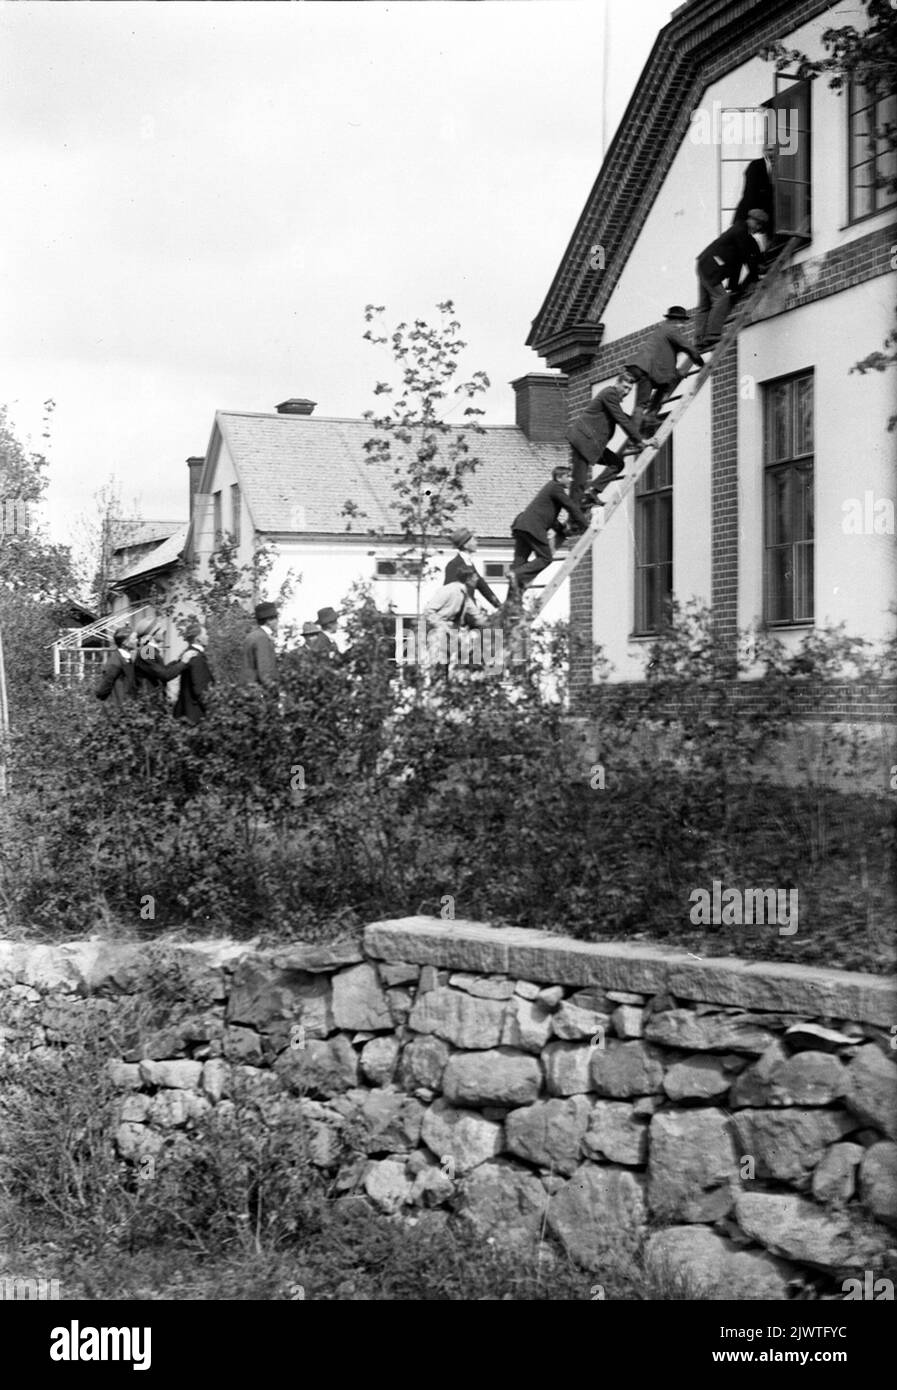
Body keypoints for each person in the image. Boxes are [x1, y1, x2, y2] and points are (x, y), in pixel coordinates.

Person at [567, 372, 657, 510]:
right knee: (579, 482)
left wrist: (640, 423)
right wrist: (641, 441)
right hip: (584, 441)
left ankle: (592, 492)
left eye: (629, 389)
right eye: (625, 387)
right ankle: (574, 516)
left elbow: (622, 417)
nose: (626, 392)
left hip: (591, 443)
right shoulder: (609, 393)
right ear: (617, 384)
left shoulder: (611, 397)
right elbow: (621, 419)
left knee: (616, 464)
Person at [509, 464, 589, 595]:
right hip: (533, 527)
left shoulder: (549, 489)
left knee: (520, 562)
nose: (571, 479)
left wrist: (562, 530)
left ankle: (511, 602)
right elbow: (571, 506)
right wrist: (585, 525)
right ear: (559, 477)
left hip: (522, 525)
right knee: (545, 558)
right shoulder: (556, 488)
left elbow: (550, 517)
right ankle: (515, 574)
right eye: (568, 476)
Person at [623, 307, 704, 437]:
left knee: (641, 403)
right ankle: (649, 418)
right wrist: (701, 363)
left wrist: (676, 372)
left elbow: (663, 359)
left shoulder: (661, 331)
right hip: (650, 369)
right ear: (676, 320)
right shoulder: (671, 330)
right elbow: (688, 347)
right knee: (664, 385)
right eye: (682, 321)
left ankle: (645, 422)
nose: (682, 325)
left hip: (643, 368)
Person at [694, 210, 766, 350]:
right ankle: (712, 334)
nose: (757, 228)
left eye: (760, 226)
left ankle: (699, 339)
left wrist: (734, 286)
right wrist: (755, 274)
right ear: (750, 220)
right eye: (757, 224)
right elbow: (745, 257)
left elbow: (738, 264)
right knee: (722, 298)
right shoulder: (740, 231)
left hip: (705, 264)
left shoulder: (744, 235)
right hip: (710, 267)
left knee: (705, 305)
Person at [133, 617, 195, 697]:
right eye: (160, 629)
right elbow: (164, 674)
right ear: (152, 635)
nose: (164, 631)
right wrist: (183, 662)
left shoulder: (150, 650)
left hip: (151, 699)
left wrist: (179, 661)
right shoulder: (146, 651)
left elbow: (162, 670)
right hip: (148, 701)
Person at [443, 528, 500, 611]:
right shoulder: (454, 565)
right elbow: (450, 591)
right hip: (460, 613)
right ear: (465, 545)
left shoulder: (469, 564)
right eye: (473, 540)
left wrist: (499, 605)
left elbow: (483, 587)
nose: (477, 542)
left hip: (471, 611)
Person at [173, 618, 214, 725]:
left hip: (186, 710)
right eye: (206, 634)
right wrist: (212, 708)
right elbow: (199, 688)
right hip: (194, 713)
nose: (208, 636)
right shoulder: (196, 656)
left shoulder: (190, 653)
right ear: (198, 639)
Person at [733, 143, 776, 241]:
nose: (772, 153)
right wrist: (752, 216)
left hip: (767, 220)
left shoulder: (784, 168)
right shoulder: (755, 166)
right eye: (769, 150)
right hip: (750, 216)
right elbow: (749, 192)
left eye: (774, 150)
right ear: (764, 152)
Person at [95, 627, 138, 709]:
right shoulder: (115, 662)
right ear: (125, 642)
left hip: (127, 706)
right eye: (134, 639)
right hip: (118, 708)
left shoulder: (126, 658)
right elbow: (103, 688)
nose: (137, 641)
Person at [242, 601, 279, 687]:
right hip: (260, 691)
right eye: (276, 618)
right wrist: (274, 689)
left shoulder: (253, 635)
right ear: (269, 620)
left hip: (250, 689)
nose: (278, 621)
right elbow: (264, 671)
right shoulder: (262, 638)